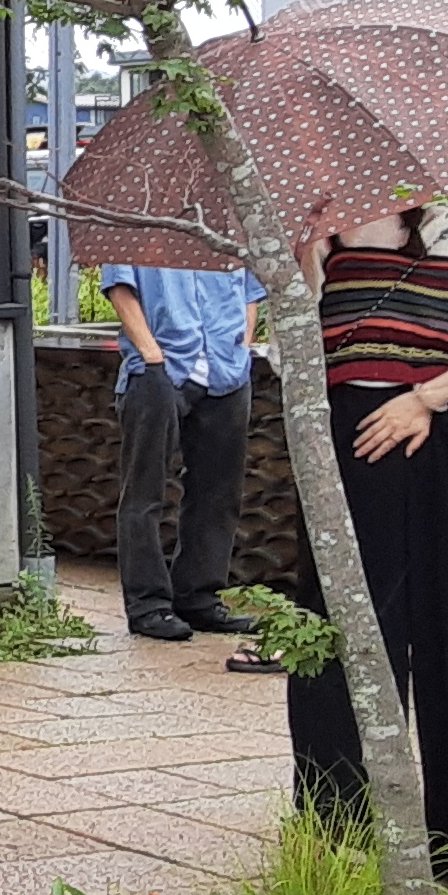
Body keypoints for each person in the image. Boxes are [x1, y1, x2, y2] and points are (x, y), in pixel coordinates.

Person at [287, 193, 448, 869]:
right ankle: (339, 832)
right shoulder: (324, 236)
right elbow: (292, 356)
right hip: (353, 449)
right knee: (341, 629)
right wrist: (302, 267)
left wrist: (426, 398)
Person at [99, 261, 266, 642]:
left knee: (219, 493)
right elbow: (119, 288)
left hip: (227, 374)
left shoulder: (227, 230)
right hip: (160, 371)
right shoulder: (138, 229)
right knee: (144, 492)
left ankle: (200, 597)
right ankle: (147, 605)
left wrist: (241, 347)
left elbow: (250, 292)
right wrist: (151, 355)